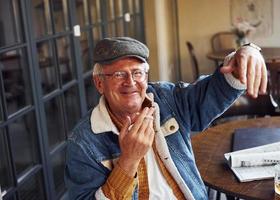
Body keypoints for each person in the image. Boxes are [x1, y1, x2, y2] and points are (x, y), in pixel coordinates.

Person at [65, 37, 267, 200]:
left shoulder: (167, 99)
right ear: (99, 83)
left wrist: (247, 52)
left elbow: (215, 90)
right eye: (118, 75)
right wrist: (128, 161)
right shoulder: (83, 141)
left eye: (138, 73)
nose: (131, 82)